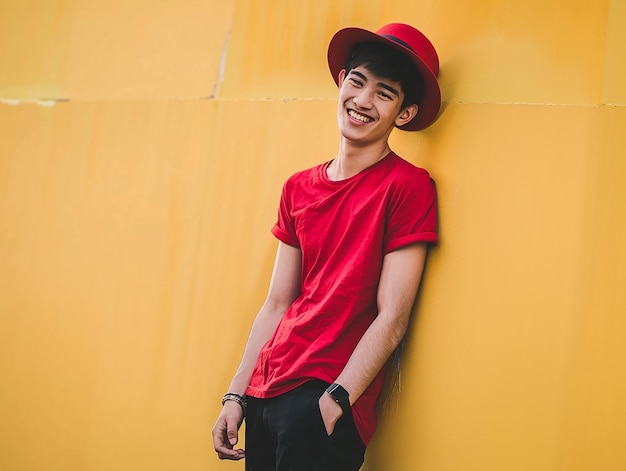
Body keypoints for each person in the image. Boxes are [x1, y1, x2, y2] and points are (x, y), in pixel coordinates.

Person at [212, 22, 442, 471]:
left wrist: (336, 399)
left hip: (323, 399)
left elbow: (393, 315)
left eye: (384, 93)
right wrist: (237, 393)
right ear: (341, 82)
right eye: (357, 83)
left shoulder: (407, 186)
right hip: (264, 394)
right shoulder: (298, 188)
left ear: (405, 114)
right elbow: (277, 303)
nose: (362, 101)